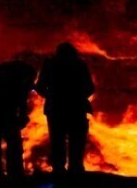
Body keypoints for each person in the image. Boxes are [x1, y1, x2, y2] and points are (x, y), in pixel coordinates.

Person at [35, 42, 95, 177]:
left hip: (55, 109)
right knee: (77, 141)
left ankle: (59, 171)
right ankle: (76, 171)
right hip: (76, 109)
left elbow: (40, 87)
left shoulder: (50, 65)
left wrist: (51, 96)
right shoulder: (79, 65)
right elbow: (90, 88)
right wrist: (78, 97)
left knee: (57, 140)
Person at [0, 60, 37, 182]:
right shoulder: (12, 80)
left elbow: (21, 96)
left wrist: (21, 116)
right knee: (4, 142)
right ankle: (11, 175)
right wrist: (21, 116)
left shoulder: (7, 74)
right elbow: (20, 97)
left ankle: (1, 175)